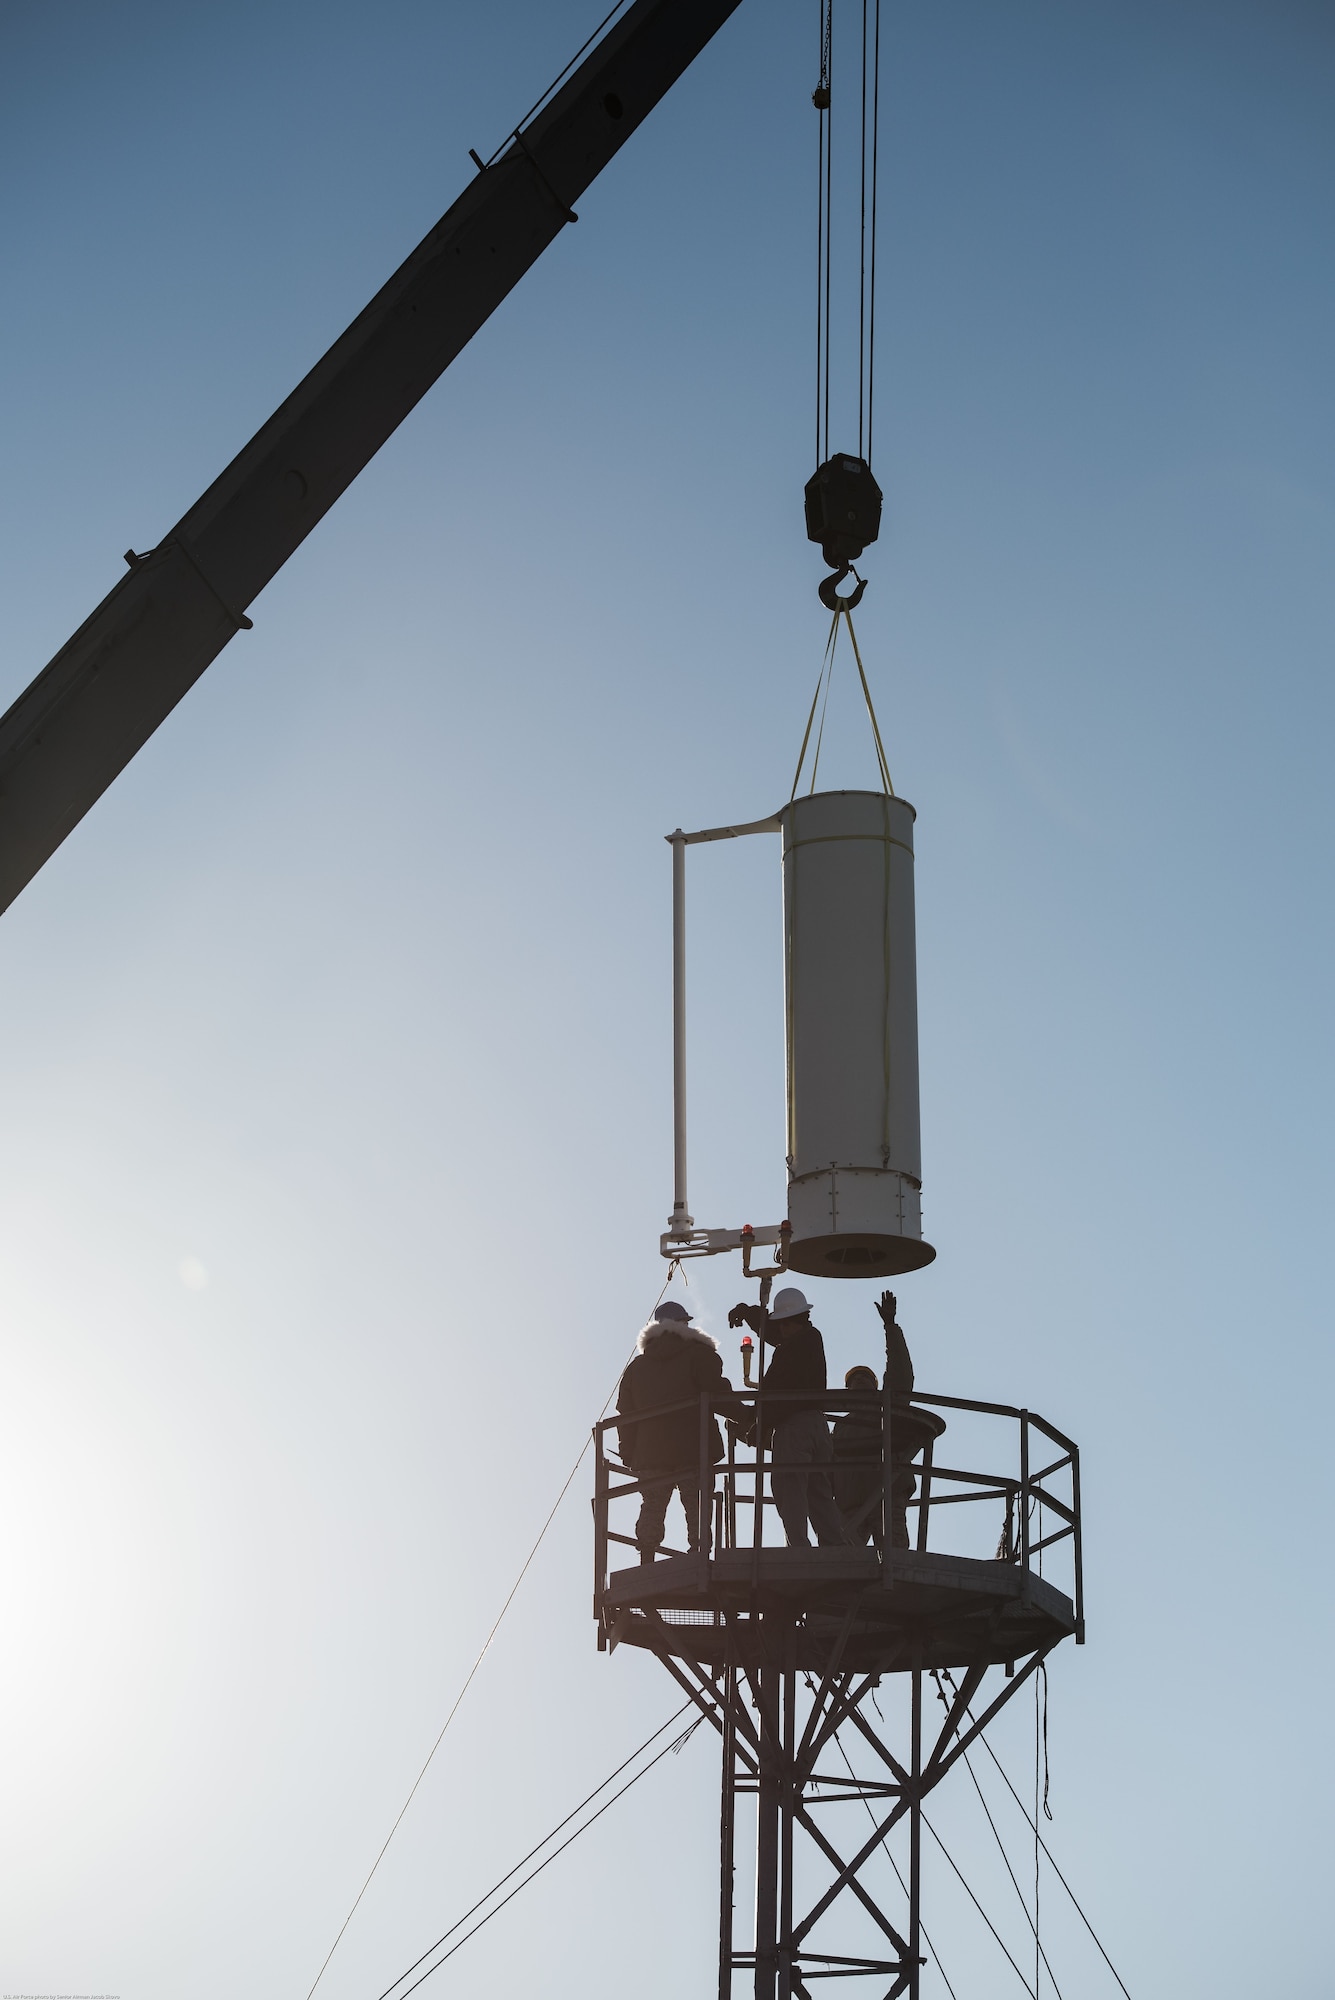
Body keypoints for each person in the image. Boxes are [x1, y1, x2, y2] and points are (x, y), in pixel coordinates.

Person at [727, 1286, 847, 1549]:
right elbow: (772, 1332)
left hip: (795, 1429)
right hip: (817, 1426)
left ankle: (799, 1550)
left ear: (791, 1323)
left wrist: (760, 1424)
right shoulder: (809, 1338)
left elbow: (777, 1394)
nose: (778, 1331)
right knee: (819, 1494)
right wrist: (749, 1314)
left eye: (782, 1324)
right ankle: (835, 1548)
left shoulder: (791, 1351)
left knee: (789, 1489)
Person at [616, 1299, 732, 1563]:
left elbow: (626, 1412)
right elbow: (717, 1392)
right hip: (693, 1450)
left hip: (651, 1455)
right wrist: (748, 1418)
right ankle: (699, 1555)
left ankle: (647, 1556)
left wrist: (628, 1451)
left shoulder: (637, 1367)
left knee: (652, 1506)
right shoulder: (697, 1356)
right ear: (682, 1325)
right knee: (697, 1505)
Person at [831, 1293, 917, 1548]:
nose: (859, 1381)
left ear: (876, 1386)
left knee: (897, 1563)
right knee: (841, 1567)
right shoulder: (841, 1426)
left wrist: (890, 1326)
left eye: (865, 1378)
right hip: (848, 1507)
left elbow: (901, 1373)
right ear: (847, 1391)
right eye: (854, 1380)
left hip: (886, 1500)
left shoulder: (888, 1411)